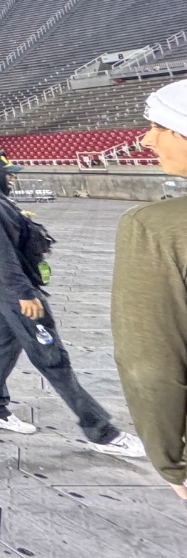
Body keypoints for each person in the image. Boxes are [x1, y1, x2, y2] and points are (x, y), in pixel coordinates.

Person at [0, 150, 143, 457]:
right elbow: (1, 253)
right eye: (7, 172)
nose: (12, 177)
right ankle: (101, 431)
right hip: (10, 287)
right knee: (52, 358)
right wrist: (25, 294)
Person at [112, 80, 187, 498]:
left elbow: (150, 365)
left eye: (160, 126)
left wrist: (172, 463)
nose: (146, 138)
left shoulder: (156, 227)